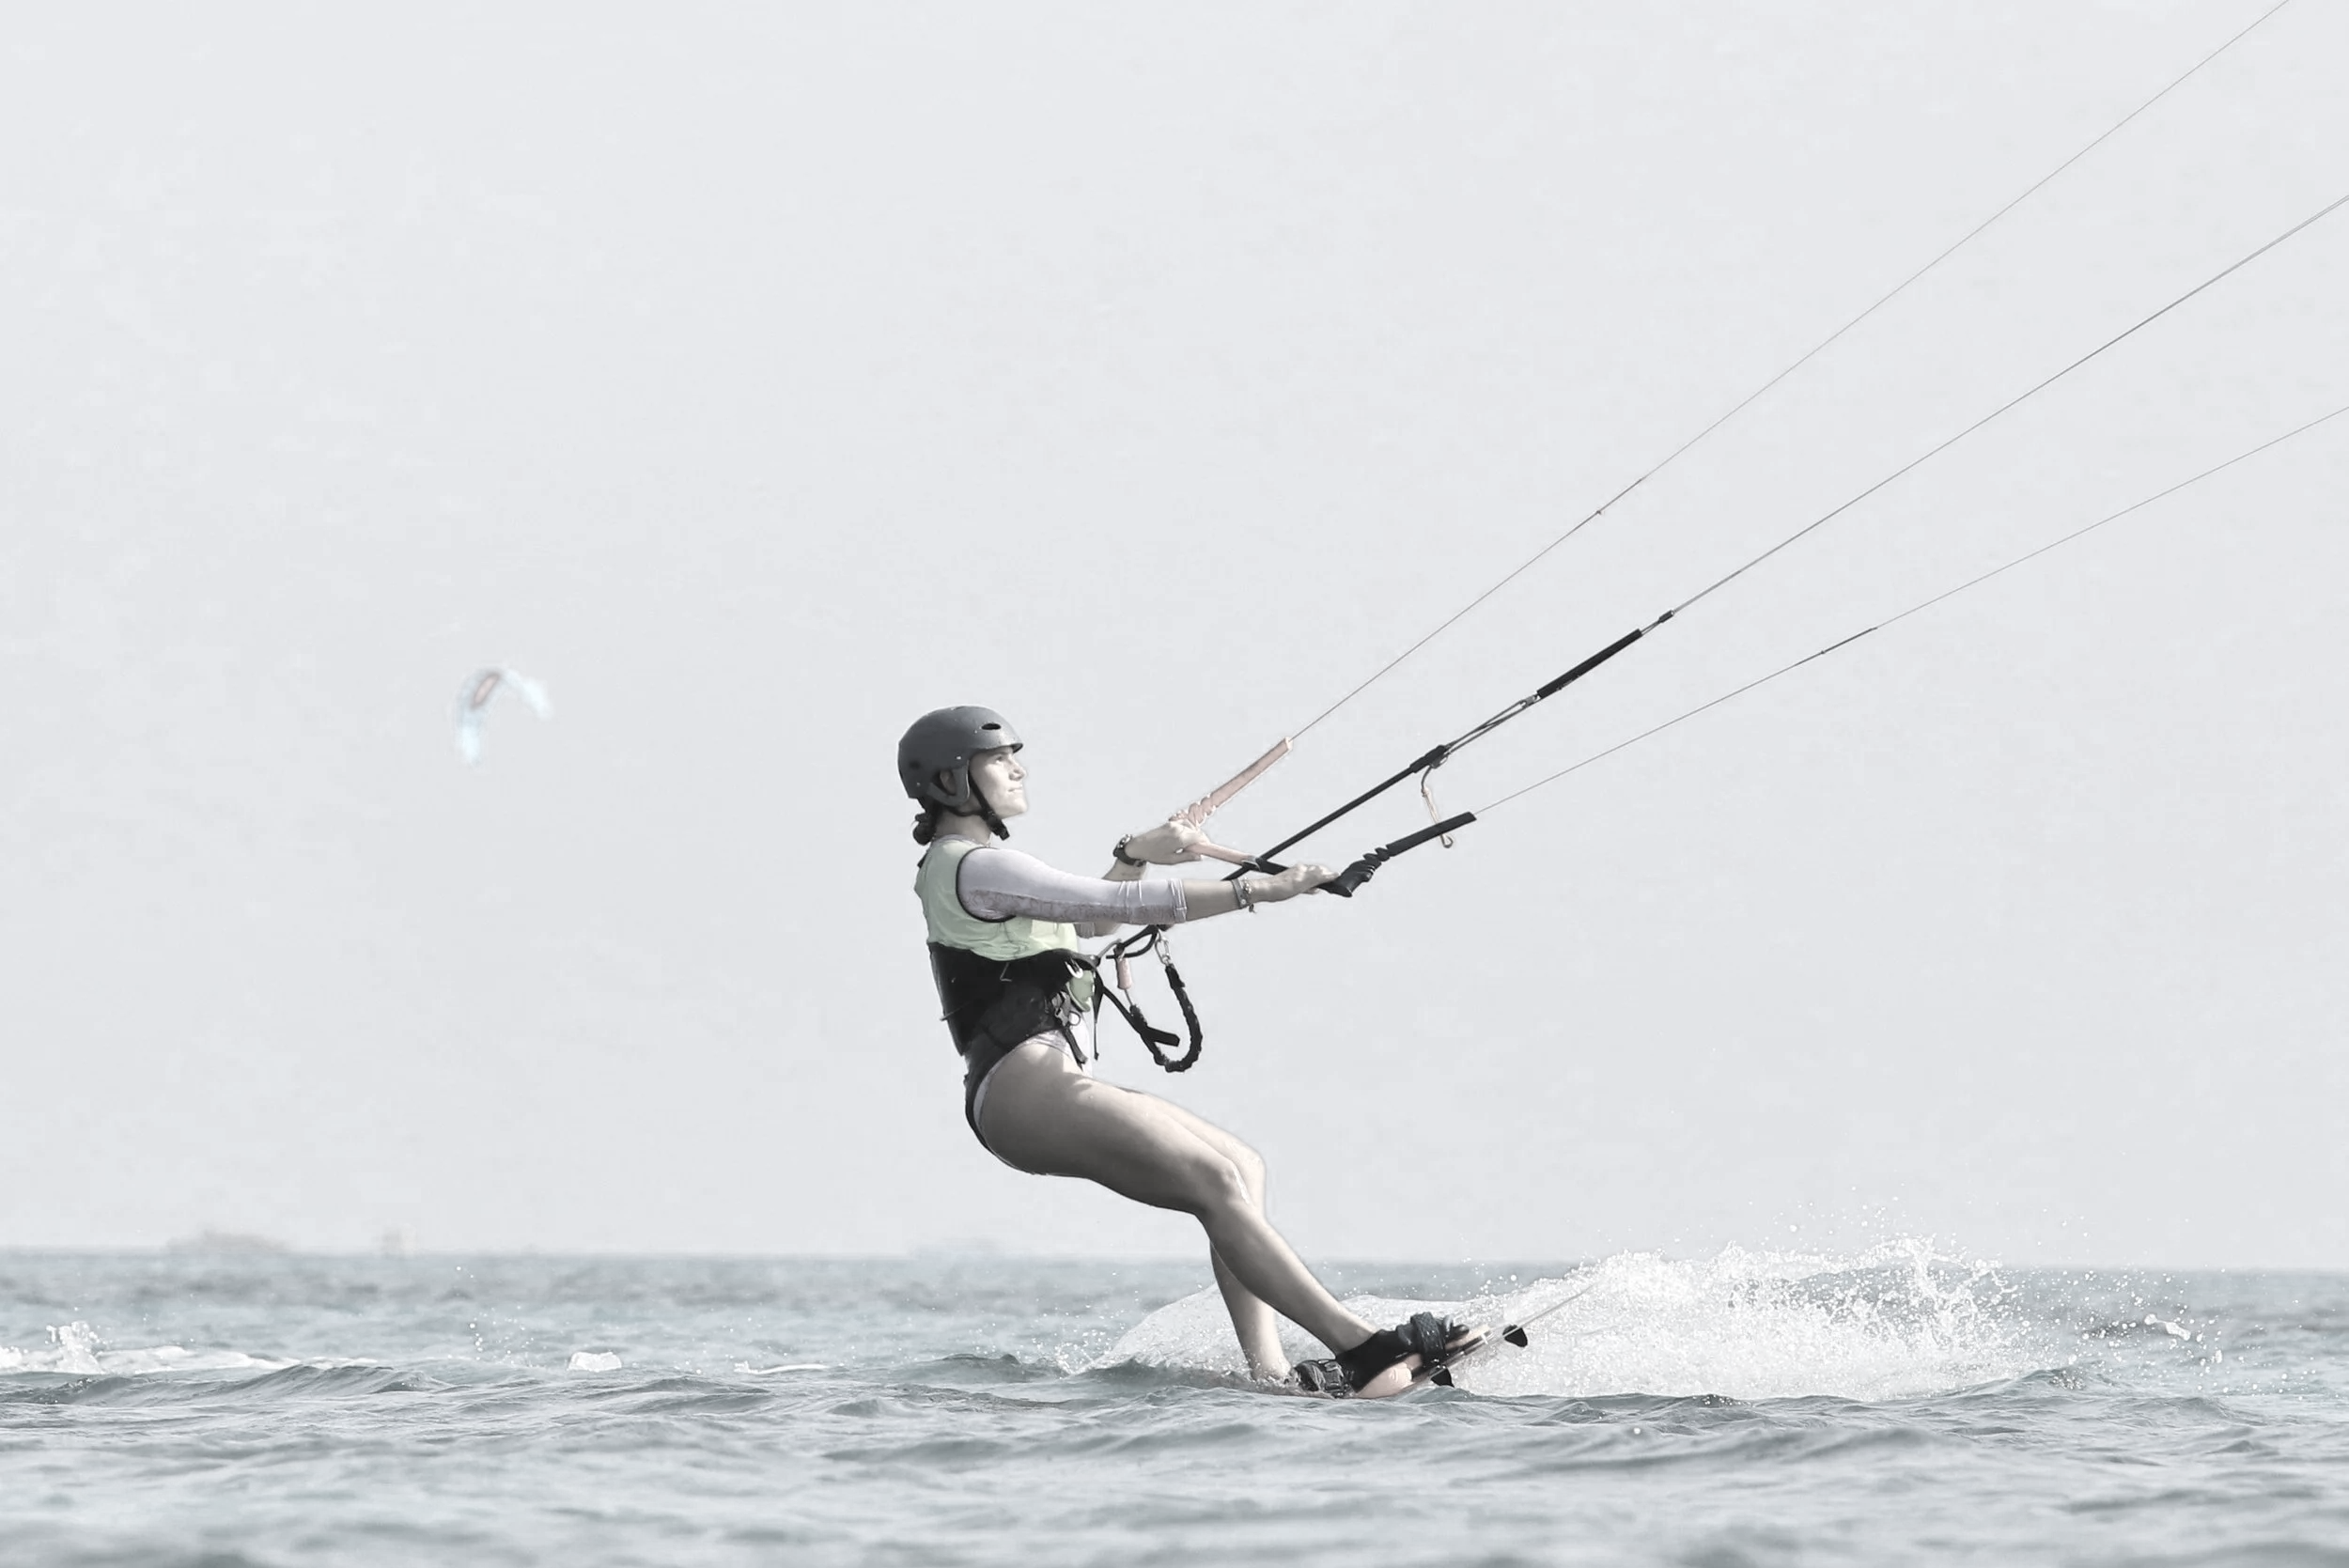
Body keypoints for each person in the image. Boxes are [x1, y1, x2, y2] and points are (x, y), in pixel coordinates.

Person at [899, 705, 1482, 1397]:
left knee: (1240, 1167)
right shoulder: (972, 864)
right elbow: (1125, 907)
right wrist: (1266, 887)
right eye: (999, 759)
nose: (1019, 767)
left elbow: (1090, 918)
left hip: (1034, 1085)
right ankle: (1362, 1347)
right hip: (1021, 1087)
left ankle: (1270, 1372)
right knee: (1213, 1181)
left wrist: (1134, 852)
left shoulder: (975, 867)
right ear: (952, 780)